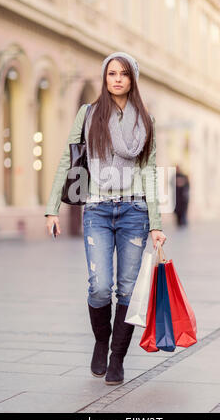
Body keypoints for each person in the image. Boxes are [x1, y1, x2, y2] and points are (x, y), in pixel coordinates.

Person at [44, 52, 166, 385]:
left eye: (124, 74)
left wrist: (156, 223)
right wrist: (52, 207)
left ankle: (117, 358)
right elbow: (67, 162)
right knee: (99, 288)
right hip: (97, 208)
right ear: (105, 77)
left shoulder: (146, 120)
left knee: (126, 289)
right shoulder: (88, 114)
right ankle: (101, 339)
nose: (117, 79)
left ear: (132, 79)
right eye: (111, 73)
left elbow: (151, 173)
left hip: (134, 212)